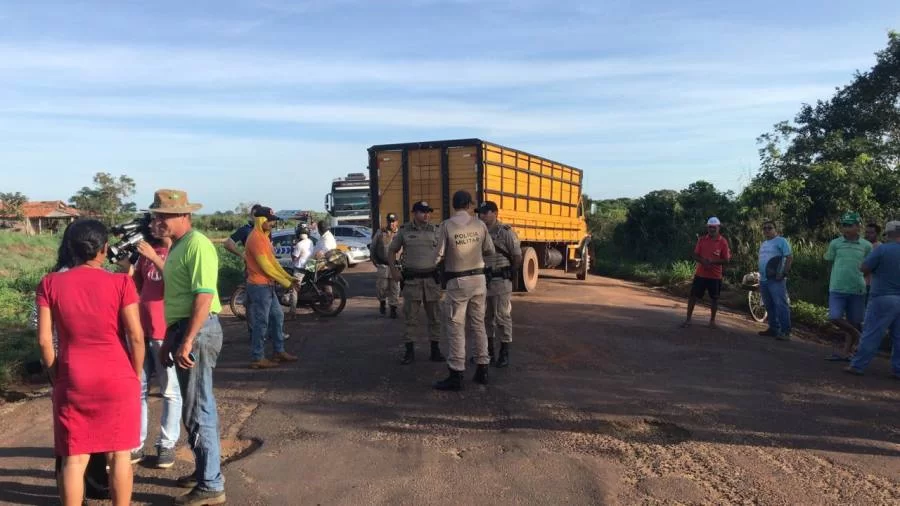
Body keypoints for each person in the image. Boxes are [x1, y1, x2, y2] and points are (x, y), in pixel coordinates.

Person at [36, 219, 145, 506]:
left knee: (74, 458)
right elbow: (136, 336)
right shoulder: (121, 282)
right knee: (120, 455)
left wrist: (57, 375)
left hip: (74, 377)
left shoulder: (50, 283)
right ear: (104, 248)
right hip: (118, 376)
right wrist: (134, 374)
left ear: (70, 248)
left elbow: (45, 341)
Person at [150, 189, 226, 505]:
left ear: (184, 215)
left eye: (164, 216)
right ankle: (205, 471)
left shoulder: (198, 245)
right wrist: (172, 337)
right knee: (196, 407)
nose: (158, 221)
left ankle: (211, 484)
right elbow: (178, 299)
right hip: (184, 329)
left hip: (198, 330)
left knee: (198, 408)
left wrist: (188, 339)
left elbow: (203, 296)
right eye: (156, 216)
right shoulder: (179, 246)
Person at [131, 220, 182, 469]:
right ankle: (135, 444)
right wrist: (129, 269)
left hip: (164, 332)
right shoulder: (144, 254)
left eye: (158, 222)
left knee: (170, 390)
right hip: (142, 331)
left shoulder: (177, 253)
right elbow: (138, 288)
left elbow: (177, 283)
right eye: (151, 222)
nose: (153, 226)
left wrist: (154, 256)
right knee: (137, 389)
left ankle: (166, 444)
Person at [433, 191, 496, 391]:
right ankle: (483, 368)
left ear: (453, 205)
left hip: (458, 281)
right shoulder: (480, 225)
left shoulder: (447, 225)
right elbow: (490, 250)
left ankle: (456, 372)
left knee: (456, 326)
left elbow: (438, 255)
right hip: (478, 280)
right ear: (469, 205)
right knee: (478, 325)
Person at [388, 201, 445, 365]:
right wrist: (394, 270)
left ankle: (435, 350)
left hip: (431, 280)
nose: (426, 215)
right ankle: (409, 351)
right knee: (410, 318)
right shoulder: (405, 231)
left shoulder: (436, 230)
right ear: (414, 213)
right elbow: (391, 250)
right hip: (412, 281)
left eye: (428, 212)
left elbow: (445, 252)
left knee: (435, 317)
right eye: (422, 212)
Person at [244, 206, 300, 369]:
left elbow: (274, 263)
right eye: (270, 220)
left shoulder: (264, 237)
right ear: (261, 220)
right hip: (259, 287)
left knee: (277, 317)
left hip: (267, 286)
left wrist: (289, 277)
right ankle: (257, 358)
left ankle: (278, 351)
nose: (272, 223)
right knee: (262, 322)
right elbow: (266, 267)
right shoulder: (256, 238)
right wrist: (287, 283)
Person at [845, 220, 900, 378]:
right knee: (898, 337)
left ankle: (858, 365)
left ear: (887, 234)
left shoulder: (882, 249)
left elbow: (864, 268)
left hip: (882, 296)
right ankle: (898, 369)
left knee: (872, 333)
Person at [477, 201, 522, 367]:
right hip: (484, 281)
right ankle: (488, 352)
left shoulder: (505, 232)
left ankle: (504, 352)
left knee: (502, 316)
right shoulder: (479, 231)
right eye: (480, 213)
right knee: (485, 318)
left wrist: (510, 272)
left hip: (501, 281)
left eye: (485, 212)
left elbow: (517, 256)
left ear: (495, 213)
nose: (482, 215)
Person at [824, 212, 872, 362]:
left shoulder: (866, 246)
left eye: (850, 225)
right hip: (837, 287)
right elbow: (829, 262)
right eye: (844, 225)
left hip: (857, 288)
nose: (846, 228)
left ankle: (846, 352)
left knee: (854, 321)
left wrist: (863, 278)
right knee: (834, 317)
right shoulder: (835, 243)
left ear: (858, 226)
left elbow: (870, 266)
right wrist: (832, 280)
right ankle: (857, 335)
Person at [682, 217, 731, 329]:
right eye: (710, 227)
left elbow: (726, 260)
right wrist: (703, 261)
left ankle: (712, 321)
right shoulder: (702, 240)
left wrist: (712, 261)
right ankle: (688, 319)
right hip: (700, 274)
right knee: (693, 296)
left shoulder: (723, 242)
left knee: (715, 298)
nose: (712, 229)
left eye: (714, 227)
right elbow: (695, 255)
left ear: (718, 227)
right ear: (707, 228)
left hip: (715, 276)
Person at [223, 204, 261, 335]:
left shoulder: (265, 230)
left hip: (265, 271)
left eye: (260, 215)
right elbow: (228, 243)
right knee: (252, 302)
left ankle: (271, 331)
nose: (258, 218)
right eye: (255, 215)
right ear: (251, 216)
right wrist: (241, 254)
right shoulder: (246, 230)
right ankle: (254, 333)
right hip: (251, 270)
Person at [757, 220, 793, 341]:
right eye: (765, 228)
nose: (767, 230)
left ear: (775, 229)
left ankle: (786, 331)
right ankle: (773, 328)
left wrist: (784, 273)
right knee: (769, 305)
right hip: (764, 279)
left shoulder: (781, 241)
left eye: (770, 228)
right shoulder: (764, 243)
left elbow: (789, 257)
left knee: (781, 304)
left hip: (776, 279)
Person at [372, 212, 401, 318]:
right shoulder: (380, 233)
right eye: (389, 221)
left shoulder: (400, 234)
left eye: (393, 221)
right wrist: (375, 262)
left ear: (397, 222)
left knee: (395, 288)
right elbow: (373, 248)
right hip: (383, 265)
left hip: (396, 266)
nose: (391, 224)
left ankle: (393, 308)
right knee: (382, 287)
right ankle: (382, 302)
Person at [864, 222, 882, 301]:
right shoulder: (862, 245)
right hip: (860, 284)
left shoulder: (880, 248)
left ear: (877, 234)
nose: (868, 235)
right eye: (866, 232)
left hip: (872, 284)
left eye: (871, 233)